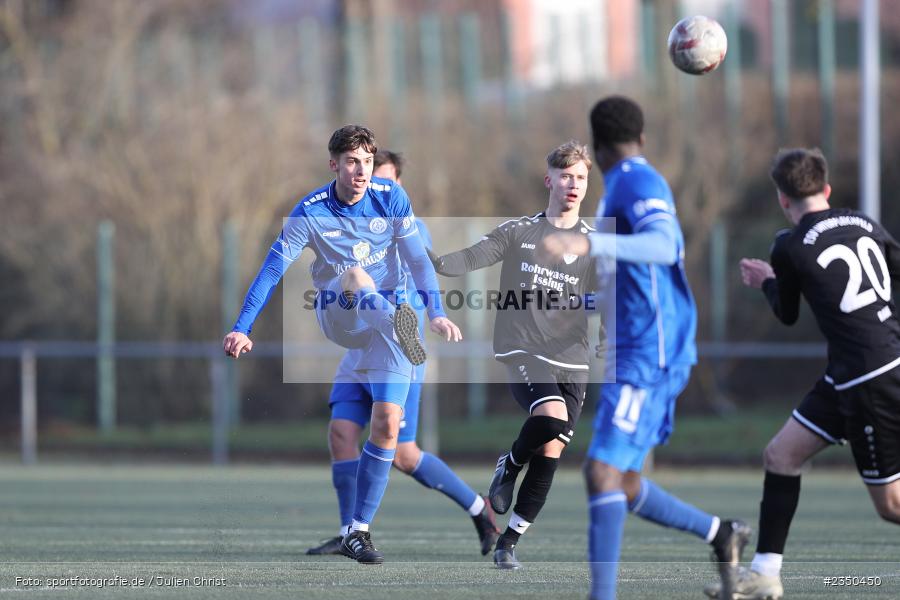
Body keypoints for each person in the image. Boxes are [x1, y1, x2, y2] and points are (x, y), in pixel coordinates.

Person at [537, 96, 750, 600]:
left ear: (595, 146)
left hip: (647, 354)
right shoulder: (621, 191)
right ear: (642, 137)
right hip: (636, 349)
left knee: (601, 470)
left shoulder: (636, 180)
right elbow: (629, 279)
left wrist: (589, 244)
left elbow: (665, 246)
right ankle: (722, 534)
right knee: (623, 480)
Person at [223, 126, 462, 565]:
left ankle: (357, 531)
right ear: (333, 164)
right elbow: (272, 270)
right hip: (340, 312)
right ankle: (395, 322)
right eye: (352, 162)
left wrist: (436, 313)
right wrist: (243, 327)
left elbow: (417, 261)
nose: (361, 171)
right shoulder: (310, 211)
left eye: (367, 162)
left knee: (388, 425)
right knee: (355, 275)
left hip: (389, 332)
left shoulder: (390, 197)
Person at [703, 148, 900, 599]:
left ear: (782, 199)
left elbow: (787, 313)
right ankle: (765, 574)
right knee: (781, 456)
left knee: (891, 505)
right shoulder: (863, 223)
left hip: (868, 380)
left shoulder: (789, 246)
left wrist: (767, 281)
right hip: (855, 372)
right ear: (827, 189)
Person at [306, 149, 499, 558]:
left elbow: (418, 272)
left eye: (386, 182)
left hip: (396, 346)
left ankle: (479, 508)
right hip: (361, 344)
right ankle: (348, 534)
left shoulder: (410, 227)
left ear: (398, 186)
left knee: (405, 455)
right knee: (341, 433)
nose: (377, 189)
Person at [431, 140, 599, 569]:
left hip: (574, 358)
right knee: (551, 417)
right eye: (565, 176)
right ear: (549, 180)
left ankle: (508, 543)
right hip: (524, 346)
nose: (573, 184)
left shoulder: (596, 244)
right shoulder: (519, 231)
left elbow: (611, 295)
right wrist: (427, 259)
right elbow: (468, 257)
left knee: (552, 452)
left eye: (580, 177)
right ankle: (509, 462)